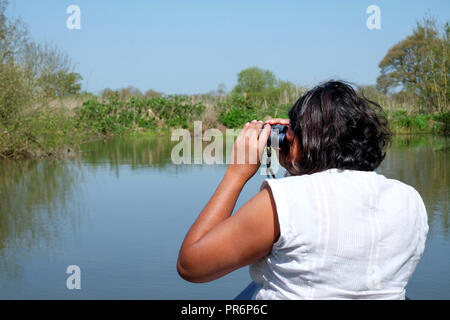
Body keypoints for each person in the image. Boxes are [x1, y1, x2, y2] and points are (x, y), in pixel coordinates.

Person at [176, 80, 429, 300]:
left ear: (306, 140)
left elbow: (191, 266)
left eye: (291, 134)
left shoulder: (283, 201)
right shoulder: (409, 199)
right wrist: (301, 146)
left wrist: (236, 174)